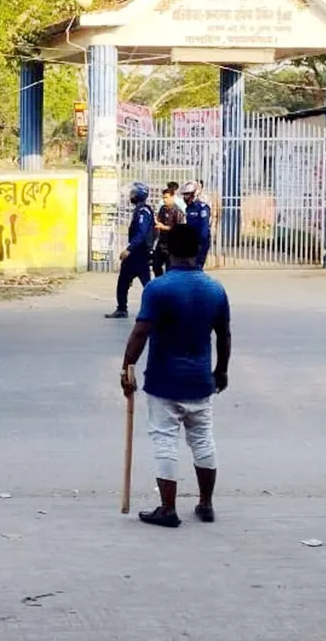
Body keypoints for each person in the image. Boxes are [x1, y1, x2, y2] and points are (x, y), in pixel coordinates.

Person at [120, 224, 231, 528]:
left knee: (165, 441)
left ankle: (168, 509)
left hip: (164, 381)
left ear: (168, 250)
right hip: (200, 381)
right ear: (197, 250)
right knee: (203, 440)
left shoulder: (158, 289)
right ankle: (206, 504)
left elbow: (141, 331)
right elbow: (224, 335)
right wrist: (221, 371)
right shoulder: (215, 289)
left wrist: (126, 366)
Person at [106, 183, 155, 319]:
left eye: (133, 193)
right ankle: (154, 308)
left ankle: (123, 308)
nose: (130, 196)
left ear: (139, 195)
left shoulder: (143, 211)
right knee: (142, 282)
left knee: (131, 282)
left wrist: (129, 249)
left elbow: (141, 233)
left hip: (138, 253)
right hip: (140, 252)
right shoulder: (140, 210)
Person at [152, 187, 186, 278]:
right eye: (163, 198)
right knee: (156, 265)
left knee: (170, 269)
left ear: (172, 197)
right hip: (162, 242)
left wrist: (164, 227)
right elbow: (159, 221)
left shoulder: (177, 211)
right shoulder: (163, 209)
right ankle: (160, 282)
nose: (164, 200)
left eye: (166, 198)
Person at [181, 181, 211, 268]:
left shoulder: (202, 208)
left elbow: (204, 229)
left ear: (193, 194)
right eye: (184, 195)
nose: (185, 197)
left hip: (200, 243)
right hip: (191, 242)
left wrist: (200, 243)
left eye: (187, 195)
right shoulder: (188, 209)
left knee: (196, 267)